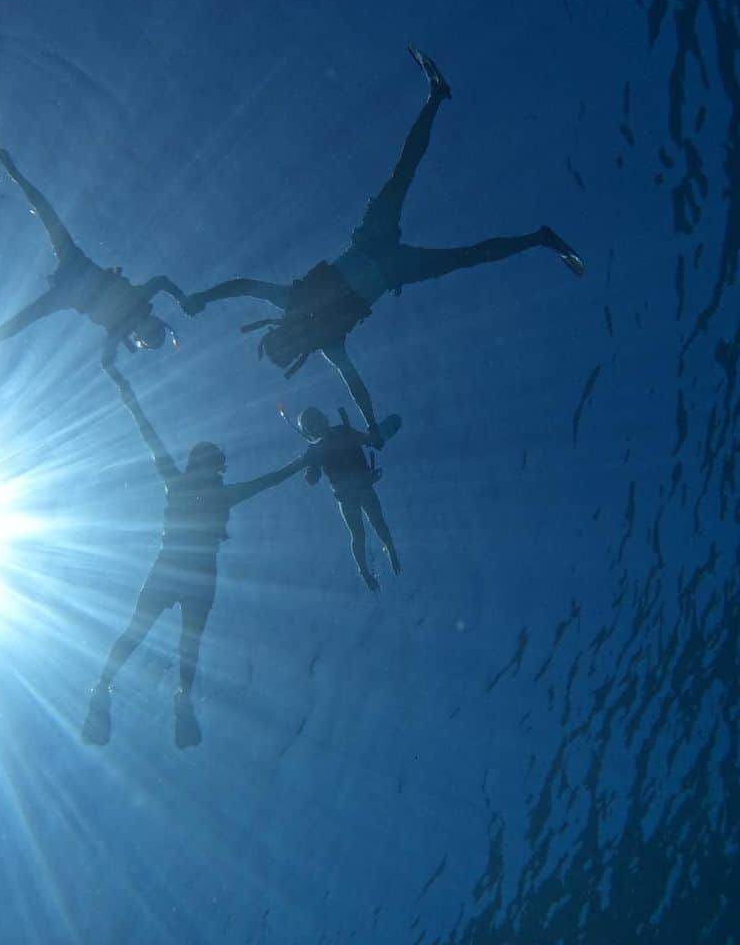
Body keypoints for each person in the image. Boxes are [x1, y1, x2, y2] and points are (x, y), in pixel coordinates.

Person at [183, 46, 586, 440]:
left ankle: (439, 102)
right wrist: (202, 297)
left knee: (437, 215)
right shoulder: (315, 330)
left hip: (378, 253)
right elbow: (352, 384)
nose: (289, 343)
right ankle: (537, 235)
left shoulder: (302, 316)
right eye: (286, 349)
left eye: (281, 345)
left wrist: (203, 295)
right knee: (430, 206)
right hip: (386, 259)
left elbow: (243, 288)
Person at [83, 363, 310, 749]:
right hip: (196, 570)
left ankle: (112, 687)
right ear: (214, 466)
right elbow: (267, 480)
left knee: (150, 633)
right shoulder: (213, 491)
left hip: (173, 565)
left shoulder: (180, 483)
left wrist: (130, 398)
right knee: (181, 641)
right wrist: (304, 459)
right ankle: (171, 695)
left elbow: (149, 437)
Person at [0, 149, 187, 365]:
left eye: (146, 335)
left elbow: (160, 281)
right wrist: (181, 297)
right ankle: (15, 174)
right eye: (151, 332)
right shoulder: (134, 306)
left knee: (24, 318)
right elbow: (161, 281)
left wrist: (181, 297)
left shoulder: (121, 328)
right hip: (75, 273)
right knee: (49, 217)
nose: (143, 329)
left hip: (70, 286)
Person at [293, 405, 402, 591]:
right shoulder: (318, 448)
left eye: (315, 421)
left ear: (321, 419)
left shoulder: (336, 435)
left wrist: (375, 438)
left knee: (374, 524)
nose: (316, 426)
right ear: (309, 431)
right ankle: (367, 568)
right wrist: (311, 471)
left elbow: (365, 439)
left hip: (356, 488)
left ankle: (387, 550)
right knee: (362, 532)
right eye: (311, 425)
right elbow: (313, 477)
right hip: (352, 491)